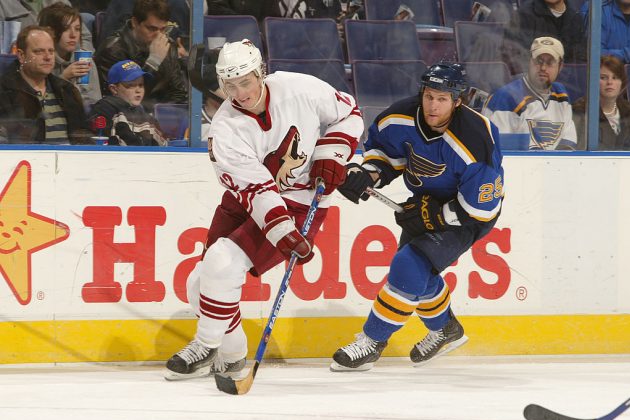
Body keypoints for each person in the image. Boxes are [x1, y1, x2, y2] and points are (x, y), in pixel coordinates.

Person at [164, 39, 363, 379]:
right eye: (230, 86)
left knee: (221, 262)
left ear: (261, 74)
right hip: (251, 200)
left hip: (301, 201)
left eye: (246, 82)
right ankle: (231, 353)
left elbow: (348, 113)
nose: (239, 93)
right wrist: (283, 233)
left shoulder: (299, 88)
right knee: (200, 282)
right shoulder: (224, 130)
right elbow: (257, 190)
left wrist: (331, 155)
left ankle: (205, 344)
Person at [331, 63, 504, 371]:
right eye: (428, 96)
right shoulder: (400, 117)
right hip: (425, 201)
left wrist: (436, 217)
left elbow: (481, 208)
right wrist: (367, 174)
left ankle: (372, 342)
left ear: (457, 101)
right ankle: (446, 329)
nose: (432, 105)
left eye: (441, 98)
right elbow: (384, 155)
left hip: (466, 213)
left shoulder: (476, 139)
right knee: (417, 275)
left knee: (407, 264)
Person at [0, 25, 91, 144]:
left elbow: (83, 138)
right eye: (39, 51)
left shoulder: (68, 90)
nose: (48, 57)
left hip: (70, 160)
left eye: (51, 51)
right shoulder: (4, 91)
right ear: (22, 56)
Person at [482, 36, 577, 150]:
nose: (543, 67)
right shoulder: (506, 98)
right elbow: (500, 152)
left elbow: (567, 146)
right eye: (538, 61)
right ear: (529, 61)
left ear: (560, 66)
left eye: (550, 62)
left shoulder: (561, 96)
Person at [94, 0, 187, 111]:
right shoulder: (113, 50)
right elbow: (120, 99)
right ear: (135, 23)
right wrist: (153, 62)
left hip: (161, 117)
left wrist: (164, 116)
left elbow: (179, 94)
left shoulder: (167, 44)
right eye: (152, 29)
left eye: (163, 29)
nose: (159, 35)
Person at [88, 60, 167, 146]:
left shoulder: (145, 114)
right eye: (131, 85)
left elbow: (163, 146)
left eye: (141, 85)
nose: (138, 90)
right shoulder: (103, 109)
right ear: (114, 89)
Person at [38, 2, 101, 107]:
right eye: (66, 28)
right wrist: (64, 78)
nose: (73, 35)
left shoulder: (83, 59)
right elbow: (40, 105)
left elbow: (95, 102)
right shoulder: (41, 62)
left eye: (77, 29)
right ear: (50, 31)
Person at [503, 0, 587, 75]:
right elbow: (513, 56)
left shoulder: (575, 17)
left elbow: (579, 59)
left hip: (567, 83)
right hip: (534, 81)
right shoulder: (523, 14)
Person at [572, 55, 630, 151]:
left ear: (622, 83)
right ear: (593, 80)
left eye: (615, 77)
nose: (609, 82)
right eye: (603, 77)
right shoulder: (581, 111)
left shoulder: (629, 110)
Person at [0, 0, 94, 52]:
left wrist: (83, 58)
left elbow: (84, 37)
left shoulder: (60, 2)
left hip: (65, 61)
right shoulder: (3, 5)